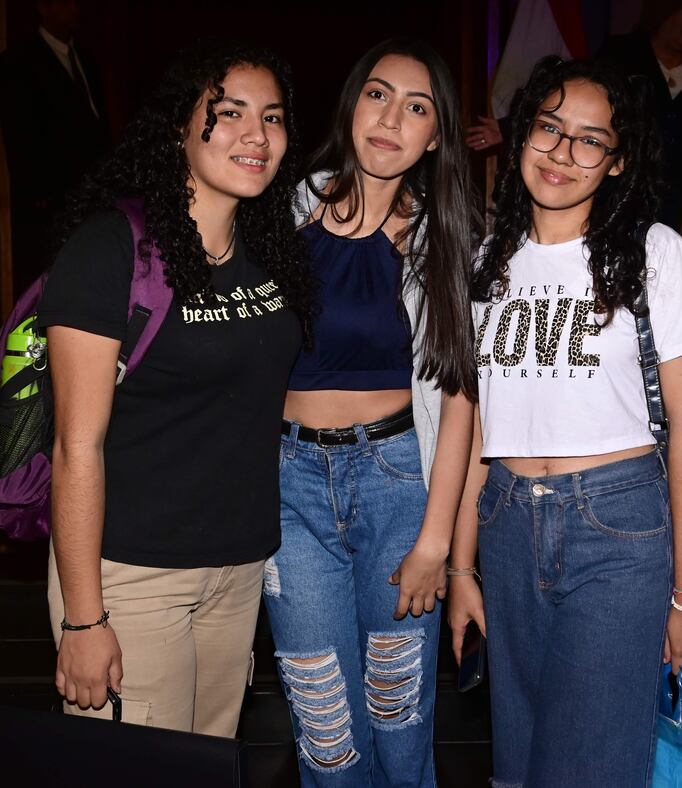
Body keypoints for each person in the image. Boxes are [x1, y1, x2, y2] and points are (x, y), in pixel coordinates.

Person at [449, 56, 682, 787]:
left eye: (590, 140)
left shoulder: (653, 252)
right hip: (506, 522)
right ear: (522, 134)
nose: (563, 153)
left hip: (617, 529)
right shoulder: (488, 258)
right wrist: (460, 564)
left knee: (589, 768)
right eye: (549, 128)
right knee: (520, 764)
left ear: (617, 161)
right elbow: (481, 428)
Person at [38, 43, 314, 735]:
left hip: (238, 569)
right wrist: (83, 616)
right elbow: (76, 447)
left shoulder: (271, 249)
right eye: (230, 113)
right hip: (130, 574)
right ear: (177, 129)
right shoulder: (111, 250)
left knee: (209, 764)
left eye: (273, 117)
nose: (256, 134)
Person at [262, 38, 481, 787]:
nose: (391, 118)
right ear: (352, 103)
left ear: (436, 135)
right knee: (324, 729)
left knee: (399, 719)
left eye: (416, 107)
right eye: (378, 95)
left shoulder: (445, 241)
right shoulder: (280, 211)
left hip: (397, 487)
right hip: (287, 490)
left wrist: (440, 545)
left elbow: (461, 407)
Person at [0, 0, 109, 296]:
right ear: (43, 7)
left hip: (91, 193)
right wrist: (38, 193)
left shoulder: (85, 57)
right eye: (64, 2)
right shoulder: (19, 61)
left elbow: (97, 123)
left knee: (89, 274)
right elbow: (19, 131)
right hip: (49, 200)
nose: (73, 8)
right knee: (49, 282)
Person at [598, 0, 682, 228]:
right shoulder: (621, 50)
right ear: (665, 9)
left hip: (670, 187)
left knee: (655, 253)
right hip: (617, 178)